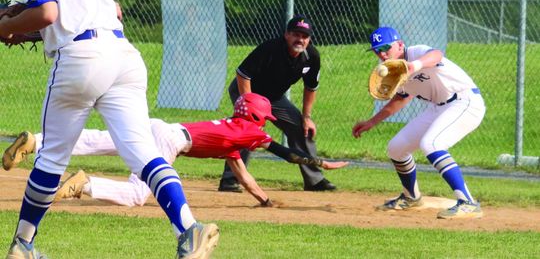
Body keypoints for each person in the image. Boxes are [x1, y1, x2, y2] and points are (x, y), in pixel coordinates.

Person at [0, 0, 218, 259]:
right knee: (144, 152)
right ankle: (188, 230)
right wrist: (25, 23)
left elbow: (48, 13)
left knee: (51, 158)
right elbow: (108, 9)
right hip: (122, 54)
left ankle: (22, 245)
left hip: (81, 60)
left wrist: (8, 26)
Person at [3, 93, 348, 207]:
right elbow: (286, 153)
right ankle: (86, 184)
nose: (267, 124)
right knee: (140, 194)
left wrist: (265, 200)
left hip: (161, 127)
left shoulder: (232, 130)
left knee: (99, 140)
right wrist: (320, 162)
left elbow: (242, 172)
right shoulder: (249, 132)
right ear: (257, 116)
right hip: (169, 140)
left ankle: (37, 141)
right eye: (266, 118)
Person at [352, 26, 486, 219]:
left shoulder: (416, 52)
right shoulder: (394, 72)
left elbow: (437, 55)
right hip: (438, 108)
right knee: (396, 148)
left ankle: (468, 203)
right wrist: (372, 122)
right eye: (377, 50)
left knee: (432, 144)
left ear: (400, 45)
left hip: (464, 101)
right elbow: (401, 99)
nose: (382, 54)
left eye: (386, 48)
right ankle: (411, 198)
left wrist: (413, 66)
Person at [219, 15, 336, 193]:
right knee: (247, 129)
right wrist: (248, 104)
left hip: (274, 98)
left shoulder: (311, 56)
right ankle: (230, 180)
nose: (300, 39)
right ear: (287, 35)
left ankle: (314, 180)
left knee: (301, 127)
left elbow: (311, 87)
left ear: (309, 39)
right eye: (296, 34)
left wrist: (307, 117)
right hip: (247, 91)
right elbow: (243, 74)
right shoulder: (270, 49)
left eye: (305, 36)